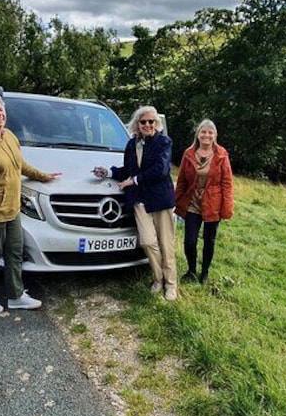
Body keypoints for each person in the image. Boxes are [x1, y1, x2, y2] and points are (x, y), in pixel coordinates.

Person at [0, 90, 61, 314]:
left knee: (14, 252)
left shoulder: (9, 136)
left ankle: (16, 295)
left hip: (12, 209)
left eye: (1, 109)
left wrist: (43, 176)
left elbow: (21, 165)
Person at [93, 106, 178, 301]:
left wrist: (135, 180)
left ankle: (171, 285)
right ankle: (158, 279)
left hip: (160, 199)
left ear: (156, 123)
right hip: (140, 200)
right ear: (137, 124)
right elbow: (128, 170)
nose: (147, 125)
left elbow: (161, 170)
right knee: (147, 241)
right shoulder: (132, 144)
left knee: (166, 244)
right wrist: (109, 172)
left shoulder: (164, 142)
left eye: (151, 122)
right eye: (143, 122)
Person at [174, 119, 234, 284]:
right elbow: (181, 181)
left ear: (215, 136)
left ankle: (204, 273)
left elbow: (227, 183)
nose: (206, 135)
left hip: (213, 203)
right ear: (198, 134)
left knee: (209, 240)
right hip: (192, 202)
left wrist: (227, 208)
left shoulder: (221, 154)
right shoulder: (189, 153)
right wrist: (177, 200)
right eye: (203, 132)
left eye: (210, 132)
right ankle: (191, 270)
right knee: (190, 240)